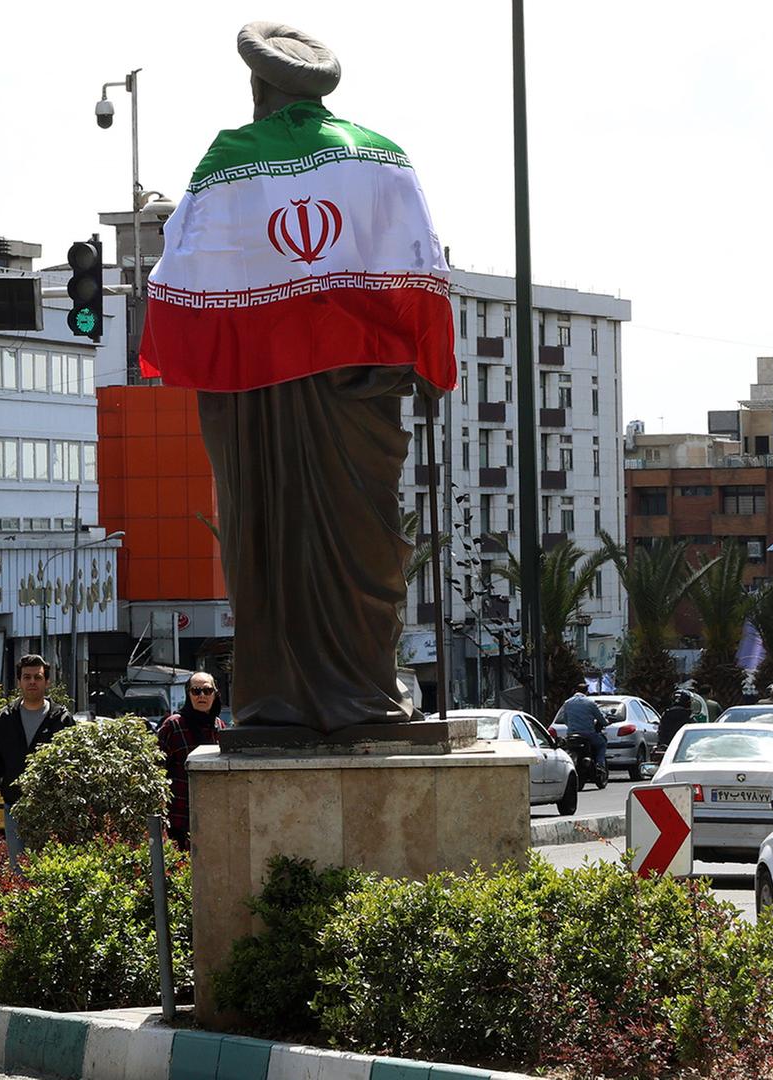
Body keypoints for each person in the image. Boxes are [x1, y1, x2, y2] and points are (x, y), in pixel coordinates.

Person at [138, 22, 456, 733]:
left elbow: (182, 271)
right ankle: (366, 692)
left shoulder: (230, 161)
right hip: (357, 390)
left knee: (264, 534)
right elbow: (423, 268)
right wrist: (421, 358)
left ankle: (273, 698)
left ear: (258, 88)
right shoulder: (381, 159)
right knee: (363, 540)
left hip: (257, 392)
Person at [0, 654, 75, 868]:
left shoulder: (61, 719)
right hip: (15, 806)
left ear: (47, 681)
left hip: (52, 809)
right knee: (20, 870)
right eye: (27, 677)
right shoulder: (5, 718)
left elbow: (74, 766)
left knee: (52, 870)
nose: (32, 682)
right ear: (19, 681)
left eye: (38, 677)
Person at [154, 673, 224, 849]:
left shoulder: (219, 726)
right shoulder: (173, 725)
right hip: (178, 818)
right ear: (188, 694)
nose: (202, 696)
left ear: (215, 694)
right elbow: (155, 770)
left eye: (207, 690)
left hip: (213, 816)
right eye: (196, 691)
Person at [555, 683, 607, 776]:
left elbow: (565, 719)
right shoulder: (590, 703)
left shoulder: (567, 702)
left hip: (571, 734)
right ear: (586, 692)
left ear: (575, 691)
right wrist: (605, 722)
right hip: (588, 734)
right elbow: (600, 718)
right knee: (602, 744)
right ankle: (600, 765)